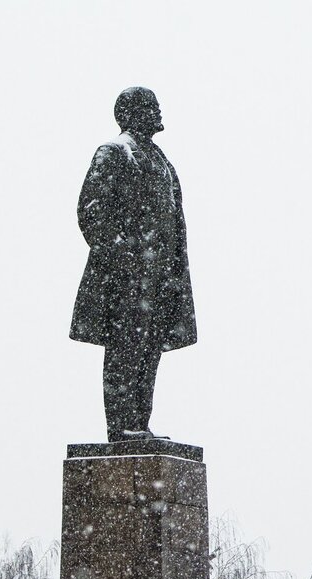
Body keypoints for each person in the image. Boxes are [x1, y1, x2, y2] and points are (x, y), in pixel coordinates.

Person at [71, 86, 197, 442]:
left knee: (148, 354)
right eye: (152, 107)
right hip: (126, 280)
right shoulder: (114, 153)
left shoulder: (160, 159)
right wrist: (124, 257)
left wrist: (167, 270)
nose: (160, 113)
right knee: (126, 351)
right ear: (132, 113)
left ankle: (139, 423)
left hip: (159, 279)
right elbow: (91, 211)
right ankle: (122, 428)